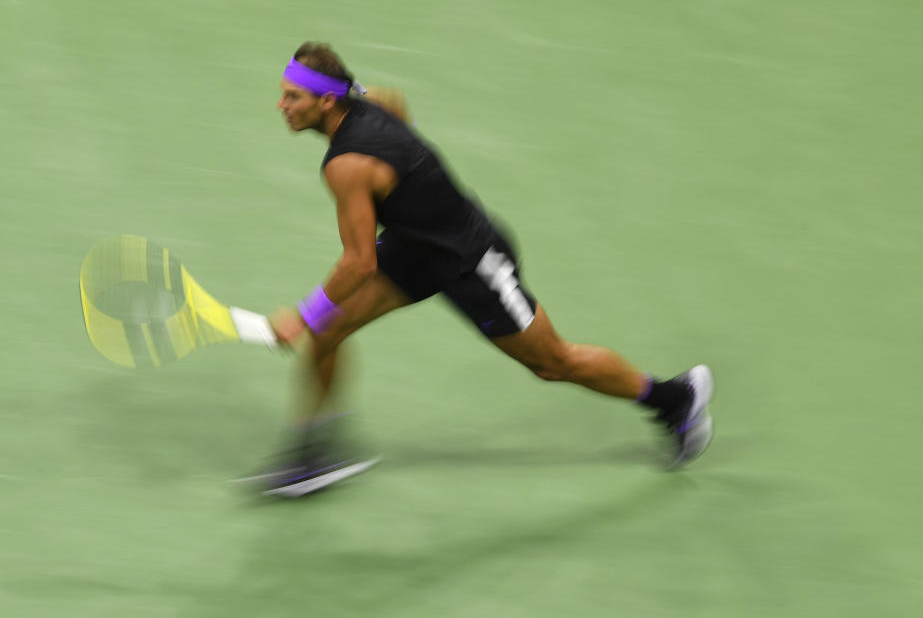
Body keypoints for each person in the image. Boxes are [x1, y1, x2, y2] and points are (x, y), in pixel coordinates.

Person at [257, 42, 714, 497]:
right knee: (329, 331)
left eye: (292, 97)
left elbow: (358, 262)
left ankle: (673, 400)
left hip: (470, 261)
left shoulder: (346, 167)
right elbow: (395, 106)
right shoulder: (371, 99)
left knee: (552, 362)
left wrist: (302, 316)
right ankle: (314, 455)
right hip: (414, 248)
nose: (281, 106)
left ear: (327, 101)